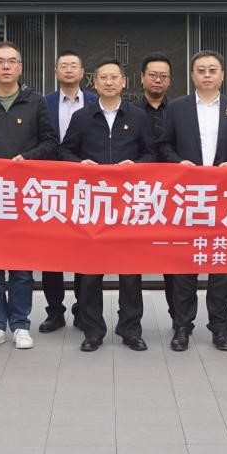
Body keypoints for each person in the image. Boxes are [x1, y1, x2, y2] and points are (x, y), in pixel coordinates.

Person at [158, 50, 227, 352]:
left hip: (224, 199)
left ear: (222, 75)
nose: (206, 75)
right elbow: (163, 145)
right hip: (187, 199)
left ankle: (220, 327)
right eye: (201, 70)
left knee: (221, 268)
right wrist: (179, 163)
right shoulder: (177, 108)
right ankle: (182, 327)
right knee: (184, 267)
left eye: (212, 70)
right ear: (192, 75)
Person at [0, 40, 58, 350]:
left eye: (11, 61)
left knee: (20, 264)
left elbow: (51, 142)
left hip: (24, 195)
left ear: (20, 67)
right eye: (0, 61)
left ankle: (19, 324)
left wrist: (27, 158)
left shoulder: (36, 101)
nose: (6, 66)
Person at [58, 58, 154, 352]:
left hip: (128, 206)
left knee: (130, 272)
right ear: (95, 83)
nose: (109, 82)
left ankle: (130, 329)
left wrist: (136, 165)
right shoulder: (82, 117)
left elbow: (151, 154)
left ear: (124, 82)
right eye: (103, 78)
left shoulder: (138, 116)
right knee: (90, 272)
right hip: (93, 204)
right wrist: (80, 163)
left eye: (115, 77)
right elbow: (65, 151)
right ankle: (93, 330)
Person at [41, 50, 97, 333]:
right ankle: (55, 311)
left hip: (88, 186)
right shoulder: (43, 103)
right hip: (51, 185)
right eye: (63, 66)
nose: (69, 70)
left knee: (83, 249)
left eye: (74, 65)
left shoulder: (96, 102)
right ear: (56, 72)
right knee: (52, 251)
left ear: (83, 72)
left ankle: (81, 308)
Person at [136, 52, 177, 326]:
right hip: (136, 198)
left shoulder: (179, 110)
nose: (158, 80)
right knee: (132, 263)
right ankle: (131, 323)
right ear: (142, 78)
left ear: (170, 80)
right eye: (153, 75)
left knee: (172, 261)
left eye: (163, 76)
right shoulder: (130, 112)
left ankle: (178, 319)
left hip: (172, 197)